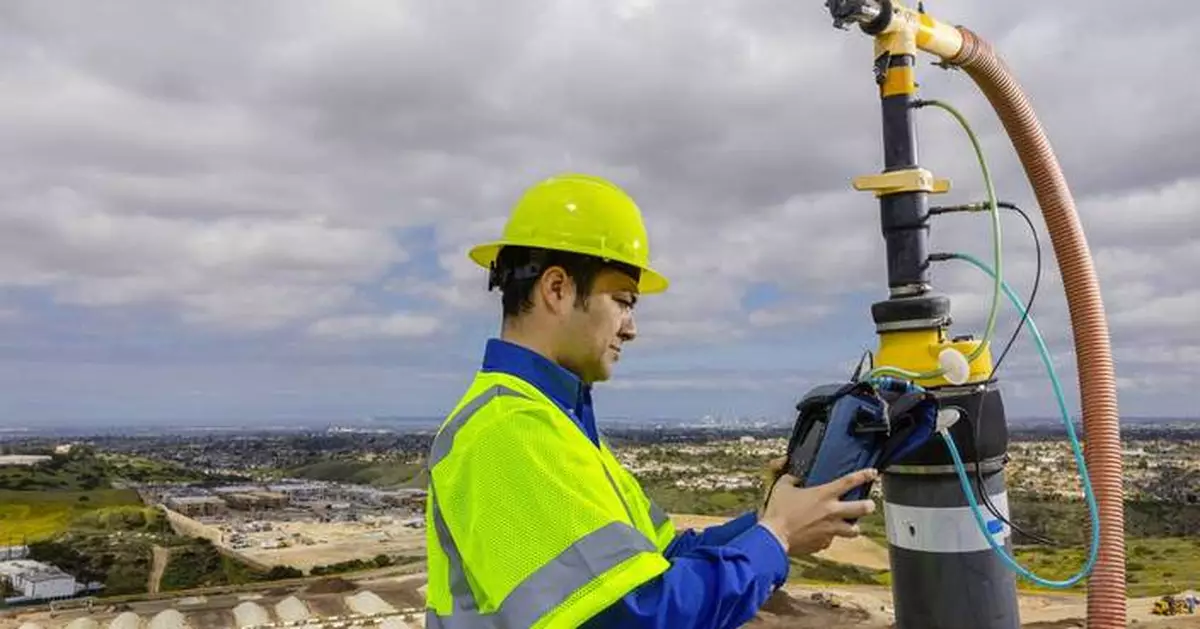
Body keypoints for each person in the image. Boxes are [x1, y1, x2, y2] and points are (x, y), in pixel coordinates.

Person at [422, 173, 878, 629]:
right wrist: (775, 538)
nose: (631, 327)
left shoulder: (558, 424)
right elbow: (636, 615)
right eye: (623, 300)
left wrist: (770, 518)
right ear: (556, 289)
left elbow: (664, 557)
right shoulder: (508, 430)